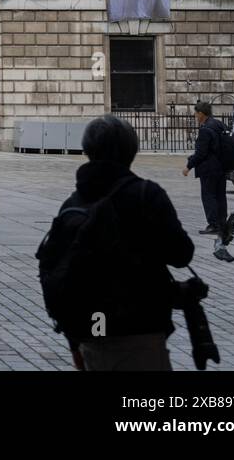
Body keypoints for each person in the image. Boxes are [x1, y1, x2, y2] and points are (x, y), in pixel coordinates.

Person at [38, 115, 195, 371]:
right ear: (132, 150)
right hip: (137, 328)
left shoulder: (73, 203)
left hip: (88, 330)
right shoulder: (146, 195)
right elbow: (182, 254)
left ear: (88, 150)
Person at [183, 101, 234, 240]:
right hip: (221, 167)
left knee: (209, 196)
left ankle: (213, 225)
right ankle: (222, 223)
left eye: (195, 113)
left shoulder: (205, 129)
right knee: (220, 196)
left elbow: (201, 153)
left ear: (201, 113)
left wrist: (189, 165)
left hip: (209, 169)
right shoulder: (219, 124)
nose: (194, 116)